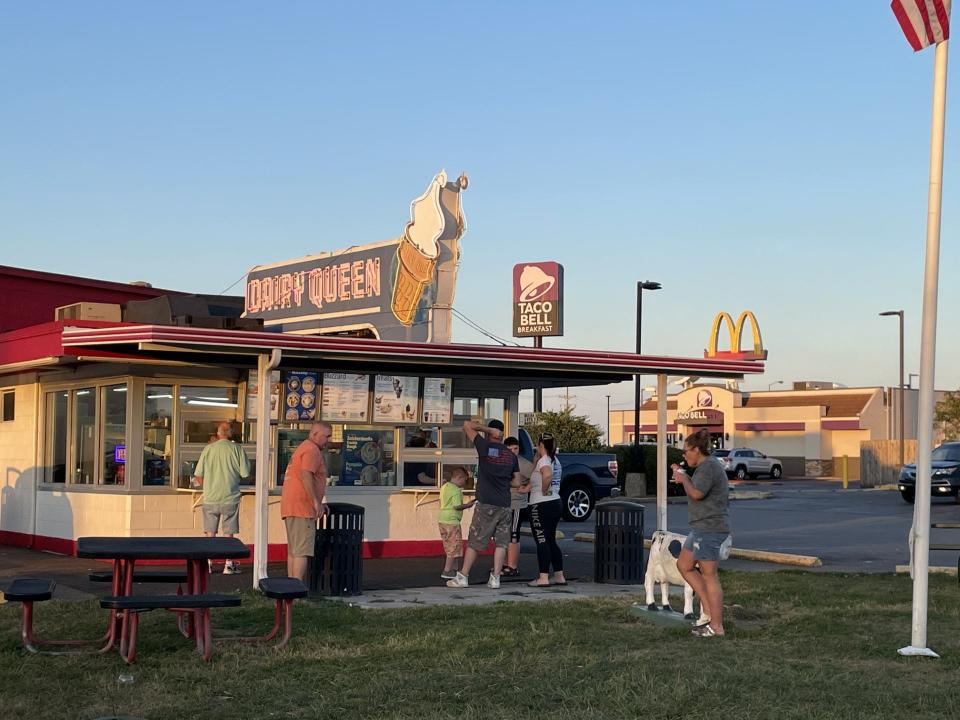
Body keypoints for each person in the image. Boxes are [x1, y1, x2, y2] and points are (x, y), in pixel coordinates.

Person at [446, 418, 520, 590]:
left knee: (475, 542)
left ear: (490, 433)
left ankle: (463, 576)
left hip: (486, 503)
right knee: (501, 543)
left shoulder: (485, 447)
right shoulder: (510, 455)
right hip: (505, 504)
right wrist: (503, 482)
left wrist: (487, 430)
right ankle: (495, 579)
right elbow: (516, 482)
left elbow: (467, 425)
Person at [671, 427, 730, 638]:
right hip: (699, 527)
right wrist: (684, 474)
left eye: (686, 451)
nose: (684, 455)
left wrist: (683, 479)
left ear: (697, 449)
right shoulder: (705, 467)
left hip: (710, 528)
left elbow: (696, 493)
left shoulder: (708, 467)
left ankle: (717, 626)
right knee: (684, 565)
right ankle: (707, 614)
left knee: (709, 576)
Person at [191, 421, 250, 574]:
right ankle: (228, 564)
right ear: (230, 433)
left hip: (210, 497)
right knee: (228, 533)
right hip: (230, 496)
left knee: (210, 532)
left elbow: (198, 474)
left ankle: (208, 563)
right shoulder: (237, 449)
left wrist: (208, 487)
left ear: (218, 433)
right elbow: (245, 473)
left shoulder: (208, 449)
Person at [281, 421, 333, 584]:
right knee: (302, 551)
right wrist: (316, 502)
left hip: (291, 505)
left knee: (294, 551)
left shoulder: (302, 448)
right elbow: (306, 475)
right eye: (326, 436)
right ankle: (296, 590)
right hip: (303, 506)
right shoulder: (312, 450)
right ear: (315, 433)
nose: (328, 440)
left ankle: (290, 589)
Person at [527, 434, 566, 587]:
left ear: (540, 444)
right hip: (555, 502)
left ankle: (543, 578)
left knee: (541, 540)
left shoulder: (544, 460)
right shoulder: (555, 460)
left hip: (540, 504)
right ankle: (559, 576)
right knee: (550, 541)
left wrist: (543, 490)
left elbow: (547, 475)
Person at [501, 436, 533, 577]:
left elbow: (539, 477)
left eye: (515, 448)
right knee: (502, 535)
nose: (513, 451)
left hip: (517, 504)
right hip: (502, 503)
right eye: (509, 449)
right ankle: (502, 565)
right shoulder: (502, 461)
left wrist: (526, 488)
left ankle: (513, 567)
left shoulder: (524, 464)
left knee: (514, 534)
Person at [438, 466, 476, 579]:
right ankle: (447, 570)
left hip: (442, 519)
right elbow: (456, 506)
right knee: (454, 546)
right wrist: (468, 505)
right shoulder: (456, 490)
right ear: (460, 477)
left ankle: (454, 569)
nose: (465, 483)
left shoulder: (444, 487)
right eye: (465, 480)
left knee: (450, 545)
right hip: (452, 521)